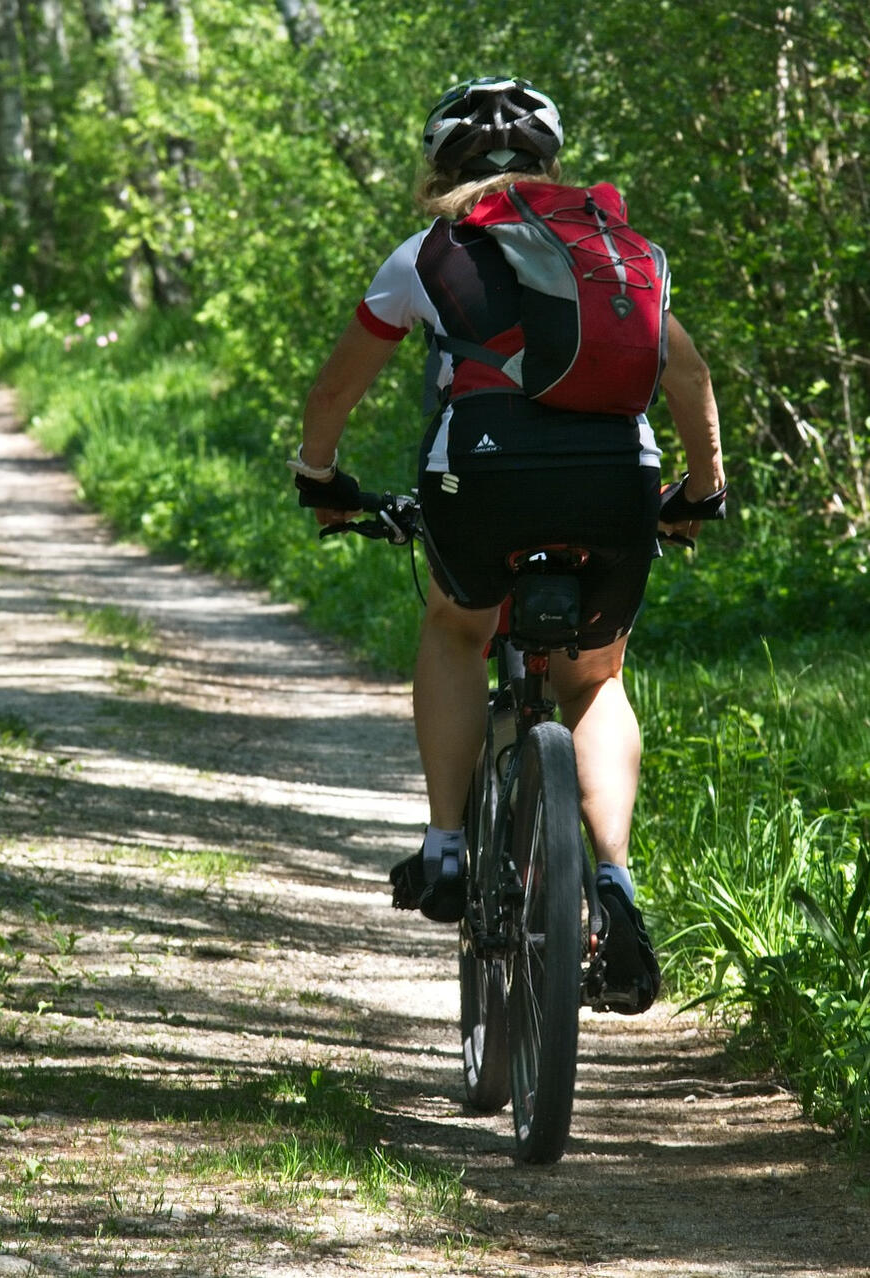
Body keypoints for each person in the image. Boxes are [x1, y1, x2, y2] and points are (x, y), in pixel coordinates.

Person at [292, 77, 726, 1013]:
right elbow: (684, 370)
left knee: (455, 626)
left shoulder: (425, 254)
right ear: (549, 163)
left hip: (481, 480)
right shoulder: (615, 250)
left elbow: (333, 394)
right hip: (616, 480)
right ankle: (613, 880)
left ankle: (447, 847)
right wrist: (699, 492)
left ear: (438, 168)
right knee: (595, 680)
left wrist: (318, 481)